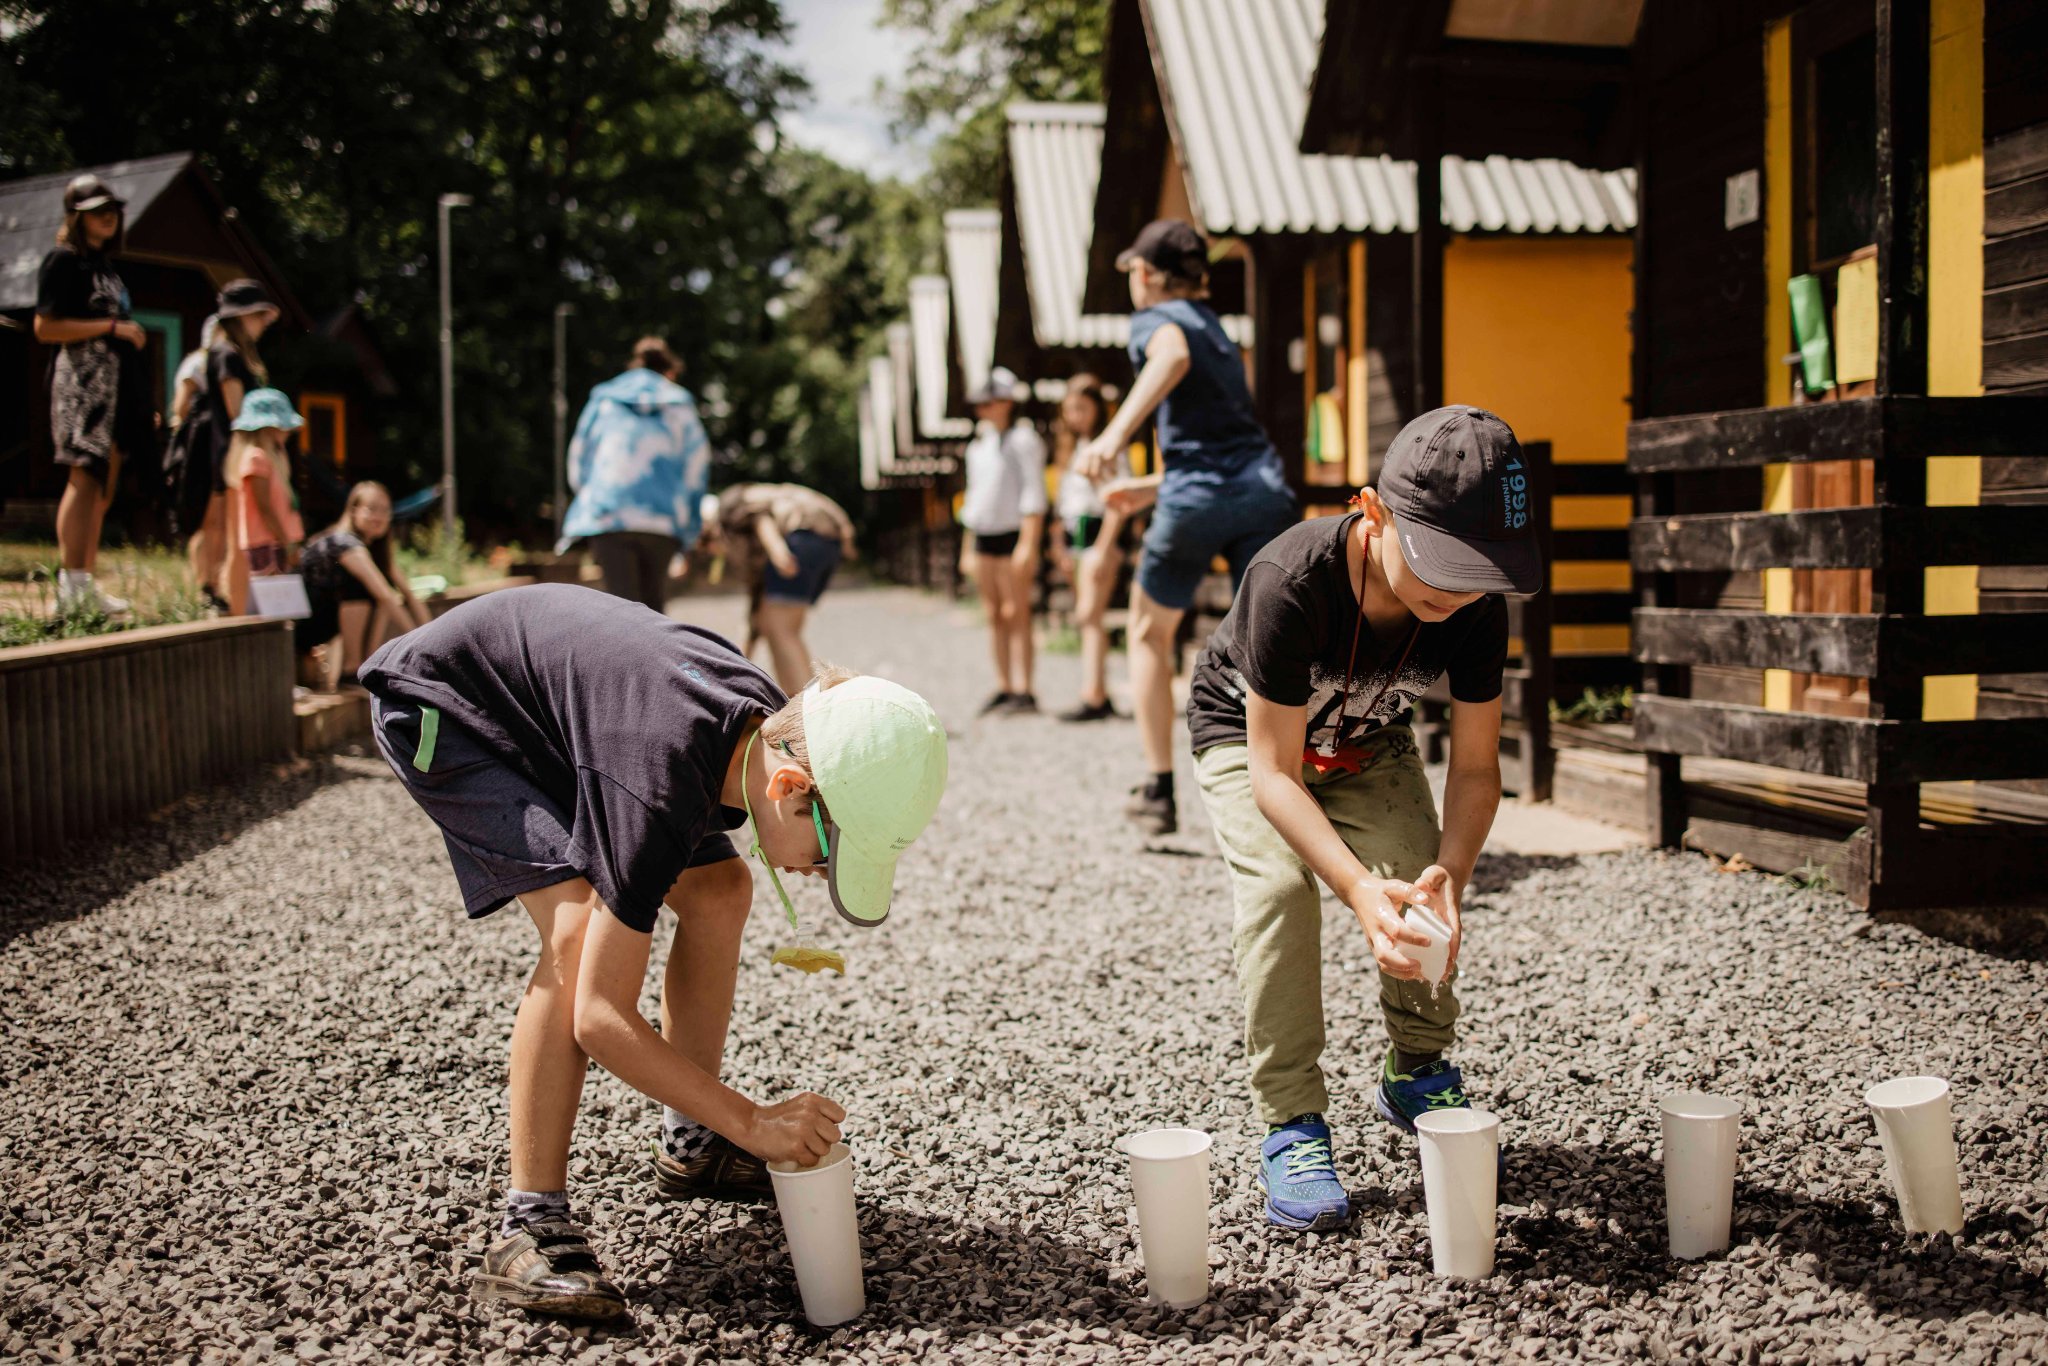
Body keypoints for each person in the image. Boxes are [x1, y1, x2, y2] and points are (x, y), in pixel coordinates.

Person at [360, 584, 949, 1320]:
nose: (819, 874)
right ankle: (528, 1225)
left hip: (578, 724)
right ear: (790, 785)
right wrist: (751, 1122)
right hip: (451, 708)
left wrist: (724, 1119)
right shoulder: (659, 777)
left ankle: (691, 1146)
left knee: (720, 891)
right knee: (577, 931)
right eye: (831, 854)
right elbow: (600, 1018)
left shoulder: (760, 735)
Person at [1186, 406, 1539, 1232]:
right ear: (1373, 512)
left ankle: (1416, 1067)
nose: (1455, 593)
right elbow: (1274, 773)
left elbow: (1476, 767)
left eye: (1476, 573)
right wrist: (1353, 887)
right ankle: (1292, 1119)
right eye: (1439, 564)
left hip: (1365, 735)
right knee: (1280, 893)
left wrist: (1450, 874)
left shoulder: (1475, 606)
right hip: (1251, 738)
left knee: (1416, 872)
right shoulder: (1290, 579)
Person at [1075, 218, 1298, 837]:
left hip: (1197, 500)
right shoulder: (1217, 329)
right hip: (1262, 494)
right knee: (1272, 643)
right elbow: (1225, 445)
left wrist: (1112, 436)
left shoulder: (1157, 318)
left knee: (1149, 633)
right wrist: (1151, 487)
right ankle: (1293, 783)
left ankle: (1158, 788)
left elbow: (1169, 357)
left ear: (1146, 275)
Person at [32, 173, 155, 616]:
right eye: (97, 210)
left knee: (104, 484)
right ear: (75, 216)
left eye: (113, 210)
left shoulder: (106, 268)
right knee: (83, 478)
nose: (109, 217)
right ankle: (70, 587)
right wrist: (111, 327)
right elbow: (45, 327)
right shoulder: (62, 261)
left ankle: (85, 582)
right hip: (82, 384)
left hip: (117, 386)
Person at [560, 336, 710, 614]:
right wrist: (689, 531)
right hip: (662, 520)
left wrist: (591, 501)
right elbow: (696, 471)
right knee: (653, 611)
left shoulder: (605, 399)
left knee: (621, 611)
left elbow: (579, 459)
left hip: (609, 514)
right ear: (670, 372)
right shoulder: (679, 405)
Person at [707, 483, 857, 693]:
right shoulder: (749, 545)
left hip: (802, 535)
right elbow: (756, 617)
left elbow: (759, 517)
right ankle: (792, 696)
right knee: (772, 624)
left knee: (782, 629)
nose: (710, 550)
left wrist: (777, 549)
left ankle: (809, 702)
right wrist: (732, 674)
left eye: (706, 541)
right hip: (826, 539)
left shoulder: (729, 510)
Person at [957, 366, 1047, 714]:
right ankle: (1004, 684)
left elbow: (1033, 492)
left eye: (989, 402)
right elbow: (973, 499)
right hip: (983, 535)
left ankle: (1026, 688)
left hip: (1013, 534)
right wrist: (967, 546)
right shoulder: (978, 446)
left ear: (1007, 402)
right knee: (994, 613)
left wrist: (1028, 542)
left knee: (1017, 612)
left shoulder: (1024, 440)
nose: (983, 409)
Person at [189, 281, 283, 611]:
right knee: (229, 532)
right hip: (232, 453)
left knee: (234, 533)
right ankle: (222, 599)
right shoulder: (226, 354)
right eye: (258, 315)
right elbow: (237, 411)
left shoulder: (235, 354)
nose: (263, 323)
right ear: (241, 317)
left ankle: (229, 599)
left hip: (236, 452)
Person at [1048, 374, 1129, 723]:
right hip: (1074, 536)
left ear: (1097, 408)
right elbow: (1063, 502)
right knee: (1086, 616)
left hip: (1099, 536)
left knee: (1090, 615)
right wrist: (1060, 546)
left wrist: (1103, 548)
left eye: (1082, 408)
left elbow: (1118, 500)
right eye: (1070, 409)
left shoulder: (1110, 447)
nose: (1075, 416)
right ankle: (1095, 689)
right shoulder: (1070, 448)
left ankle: (1094, 694)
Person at [297, 481, 428, 689]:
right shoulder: (343, 542)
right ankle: (352, 670)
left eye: (385, 510)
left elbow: (408, 595)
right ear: (353, 510)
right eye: (372, 509)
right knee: (364, 589)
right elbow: (385, 596)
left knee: (378, 591)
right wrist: (421, 645)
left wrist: (433, 635)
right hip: (302, 626)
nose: (379, 516)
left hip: (324, 622)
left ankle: (366, 666)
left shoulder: (375, 549)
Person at [223, 389, 305, 616]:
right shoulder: (256, 458)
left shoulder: (273, 457)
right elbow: (264, 507)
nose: (288, 431)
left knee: (283, 610)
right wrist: (287, 543)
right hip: (267, 543)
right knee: (273, 610)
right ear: (269, 427)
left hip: (277, 540)